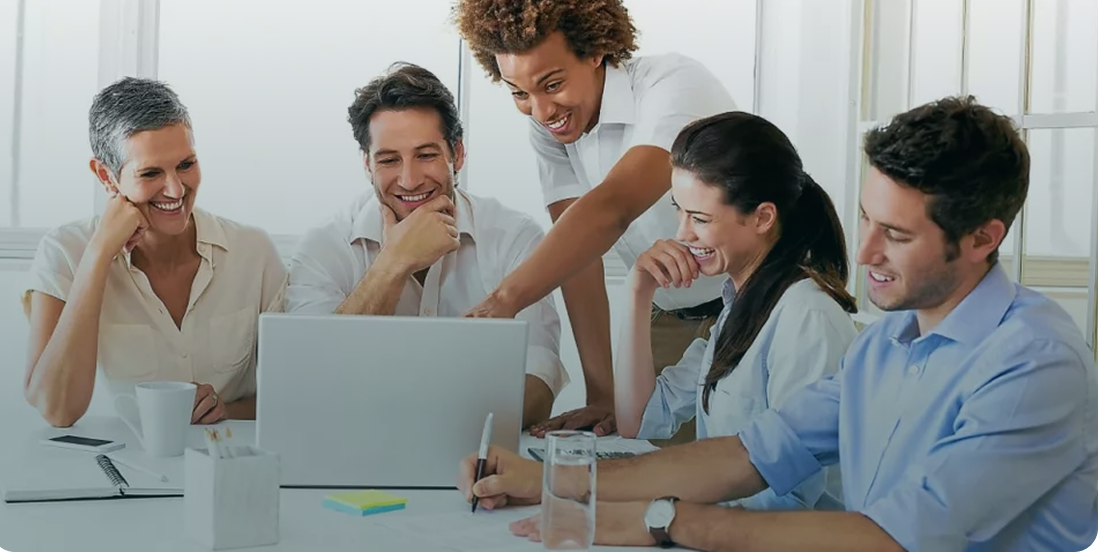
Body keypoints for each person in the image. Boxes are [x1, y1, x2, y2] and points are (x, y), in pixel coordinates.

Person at [457, 96, 1098, 551]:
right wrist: (554, 481)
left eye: (896, 235)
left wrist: (667, 521)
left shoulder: (1033, 361)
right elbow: (748, 455)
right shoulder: (889, 344)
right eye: (868, 219)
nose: (867, 253)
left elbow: (903, 536)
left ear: (984, 237)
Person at [455, 0, 735, 440]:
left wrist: (506, 299)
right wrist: (600, 396)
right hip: (669, 313)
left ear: (595, 51)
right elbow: (578, 256)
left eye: (553, 84)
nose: (541, 111)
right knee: (645, 458)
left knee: (736, 472)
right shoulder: (553, 130)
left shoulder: (674, 86)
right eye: (518, 92)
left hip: (754, 301)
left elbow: (614, 206)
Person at [284, 63, 567, 428]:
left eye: (426, 155)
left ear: (457, 154)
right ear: (368, 166)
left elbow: (537, 386)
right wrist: (395, 262)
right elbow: (310, 383)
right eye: (389, 160)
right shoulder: (325, 246)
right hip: (352, 449)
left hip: (473, 454)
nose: (410, 179)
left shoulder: (514, 237)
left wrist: (419, 421)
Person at [614, 111, 857, 511]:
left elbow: (790, 498)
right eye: (679, 210)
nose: (682, 234)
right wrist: (639, 291)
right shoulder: (739, 308)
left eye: (700, 218)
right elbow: (639, 420)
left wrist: (671, 515)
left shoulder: (806, 317)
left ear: (762, 217)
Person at [23, 78, 288, 428]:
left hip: (225, 463)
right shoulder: (64, 251)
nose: (176, 189)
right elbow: (57, 409)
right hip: (121, 468)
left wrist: (227, 410)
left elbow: (295, 394)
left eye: (186, 164)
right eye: (151, 173)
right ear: (106, 176)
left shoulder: (253, 252)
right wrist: (99, 254)